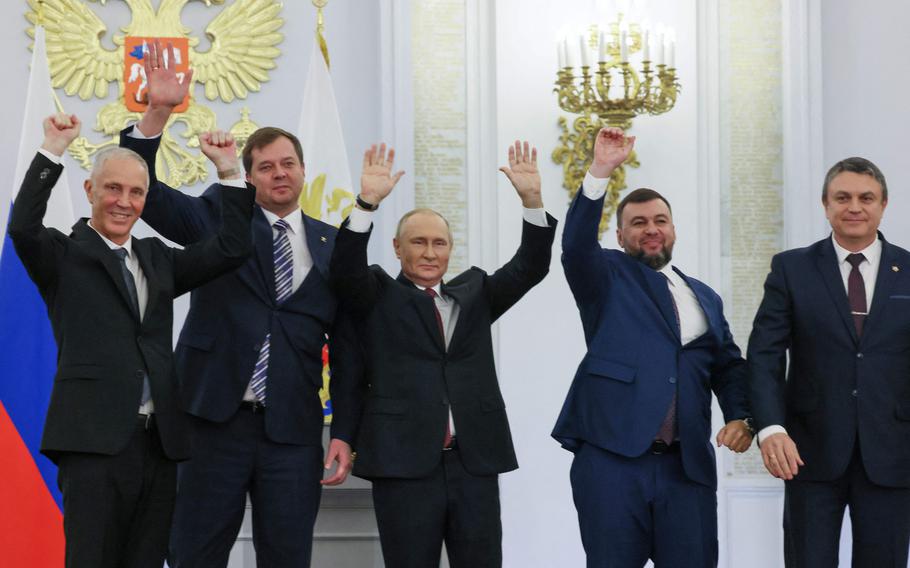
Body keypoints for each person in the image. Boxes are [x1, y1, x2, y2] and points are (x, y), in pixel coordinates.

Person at [117, 41, 360, 567]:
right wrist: (156, 113)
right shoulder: (215, 218)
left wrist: (343, 431)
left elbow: (347, 346)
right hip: (211, 422)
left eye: (288, 163)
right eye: (266, 166)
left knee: (288, 556)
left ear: (301, 170)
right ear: (248, 176)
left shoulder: (335, 245)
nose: (279, 173)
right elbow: (146, 194)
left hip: (293, 431)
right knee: (195, 554)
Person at [7, 112, 254, 568]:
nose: (124, 202)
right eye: (113, 189)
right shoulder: (64, 255)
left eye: (136, 192)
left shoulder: (157, 257)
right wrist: (52, 149)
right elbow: (22, 227)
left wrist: (229, 172)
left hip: (158, 445)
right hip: (92, 443)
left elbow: (232, 249)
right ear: (91, 191)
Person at [328, 140, 556, 567]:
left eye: (439, 243)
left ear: (450, 250)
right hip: (404, 463)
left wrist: (532, 202)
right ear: (398, 248)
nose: (429, 253)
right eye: (417, 243)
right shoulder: (377, 294)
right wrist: (366, 205)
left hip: (475, 463)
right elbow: (344, 269)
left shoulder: (475, 294)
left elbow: (531, 266)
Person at [551, 127, 753, 567]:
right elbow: (575, 246)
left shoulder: (705, 296)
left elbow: (729, 368)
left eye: (660, 220)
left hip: (688, 469)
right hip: (613, 463)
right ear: (620, 236)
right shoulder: (606, 276)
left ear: (674, 229)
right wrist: (601, 169)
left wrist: (741, 415)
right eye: (638, 223)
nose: (651, 229)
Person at [748, 156, 910, 567]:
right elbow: (765, 353)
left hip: (893, 455)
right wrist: (769, 427)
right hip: (809, 452)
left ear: (883, 205)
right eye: (842, 197)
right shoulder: (791, 268)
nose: (854, 206)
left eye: (865, 197)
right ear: (825, 204)